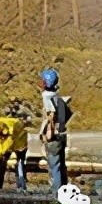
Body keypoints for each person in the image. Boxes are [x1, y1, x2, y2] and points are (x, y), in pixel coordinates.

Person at [39, 67, 71, 196]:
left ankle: (56, 194)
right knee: (61, 164)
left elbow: (51, 115)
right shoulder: (56, 95)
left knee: (54, 165)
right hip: (62, 134)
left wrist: (48, 134)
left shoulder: (47, 96)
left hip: (54, 135)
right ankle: (63, 191)